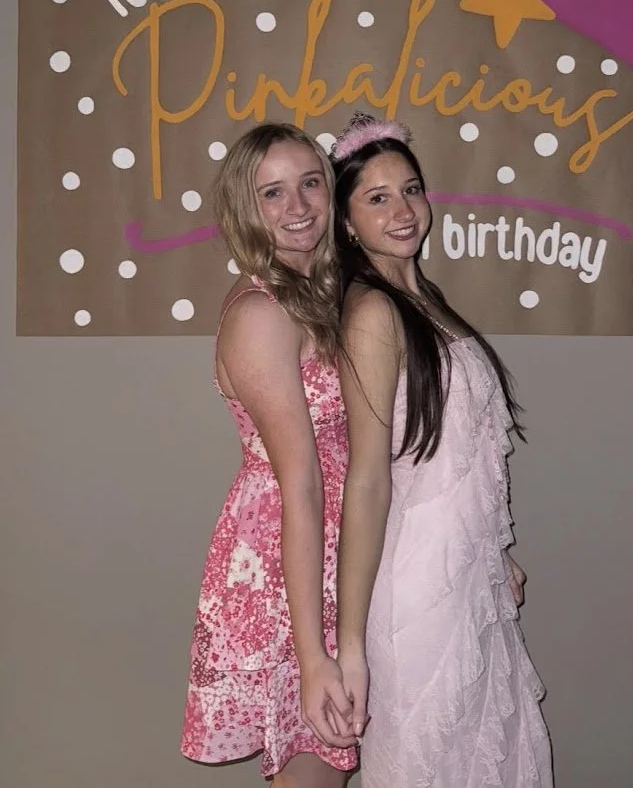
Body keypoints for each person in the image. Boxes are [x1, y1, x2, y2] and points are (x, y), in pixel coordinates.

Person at [331, 113, 554, 787]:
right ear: (345, 222)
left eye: (411, 189)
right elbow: (367, 481)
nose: (402, 210)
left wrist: (495, 551)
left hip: (469, 579)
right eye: (376, 197)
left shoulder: (424, 299)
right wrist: (348, 646)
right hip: (417, 590)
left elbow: (455, 461)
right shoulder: (372, 313)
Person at [181, 123, 358, 787]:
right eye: (273, 192)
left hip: (340, 546)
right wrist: (312, 655)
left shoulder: (318, 296)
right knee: (315, 762)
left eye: (310, 183)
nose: (299, 207)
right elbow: (301, 484)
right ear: (243, 209)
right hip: (293, 565)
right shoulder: (262, 313)